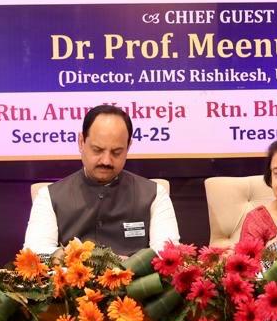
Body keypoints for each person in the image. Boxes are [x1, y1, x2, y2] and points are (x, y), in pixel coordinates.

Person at [23, 105, 180, 256]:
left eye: (116, 152)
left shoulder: (154, 194)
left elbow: (167, 255)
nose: (106, 160)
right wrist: (69, 257)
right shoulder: (49, 196)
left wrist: (133, 263)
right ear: (81, 142)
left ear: (128, 147)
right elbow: (35, 252)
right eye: (97, 150)